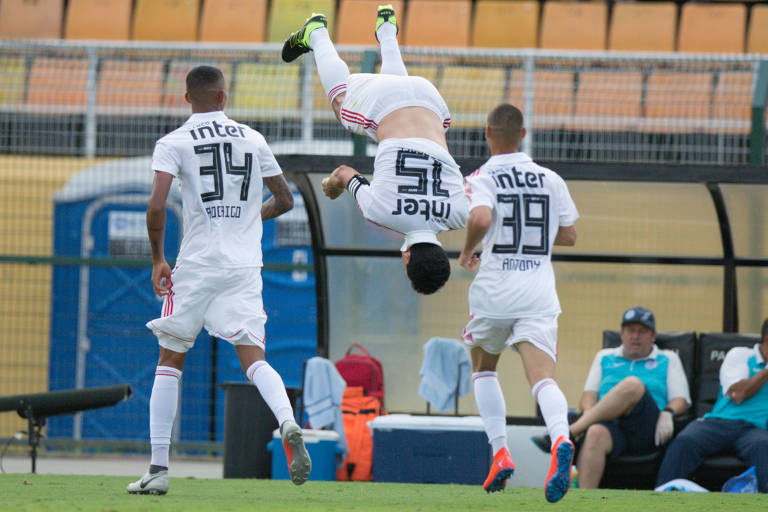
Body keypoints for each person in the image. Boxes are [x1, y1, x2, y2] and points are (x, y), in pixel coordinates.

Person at [126, 65, 310, 495]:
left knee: (170, 359)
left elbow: (156, 206)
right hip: (244, 266)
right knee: (255, 358)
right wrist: (248, 221)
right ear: (224, 98)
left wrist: (157, 259)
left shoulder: (173, 142)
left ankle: (158, 468)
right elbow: (284, 198)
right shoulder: (253, 139)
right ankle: (286, 421)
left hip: (197, 263)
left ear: (187, 98)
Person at [281, 5, 468, 294]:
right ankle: (316, 33)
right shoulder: (380, 212)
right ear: (406, 258)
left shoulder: (459, 214)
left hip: (431, 103)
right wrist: (332, 186)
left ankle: (387, 30)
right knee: (342, 104)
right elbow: (345, 173)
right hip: (388, 108)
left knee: (395, 93)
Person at [459, 103, 579, 502]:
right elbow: (569, 235)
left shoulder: (481, 177)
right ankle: (562, 438)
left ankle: (500, 452)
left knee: (483, 368)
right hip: (539, 293)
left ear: (487, 133)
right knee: (543, 379)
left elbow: (479, 219)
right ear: (523, 134)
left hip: (495, 290)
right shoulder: (550, 178)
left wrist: (466, 253)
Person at [533, 306, 690, 489]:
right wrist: (590, 418)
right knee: (595, 433)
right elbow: (587, 398)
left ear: (653, 336)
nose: (635, 336)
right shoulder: (605, 357)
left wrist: (668, 412)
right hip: (611, 425)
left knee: (633, 384)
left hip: (647, 428)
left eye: (642, 331)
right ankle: (583, 502)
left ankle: (568, 434)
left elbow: (681, 400)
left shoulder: (667, 358)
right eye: (630, 330)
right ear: (622, 334)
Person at [656, 317, 768, 492]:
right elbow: (738, 394)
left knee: (765, 447)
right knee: (685, 441)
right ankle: (662, 497)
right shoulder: (740, 355)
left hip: (754, 429)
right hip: (718, 423)